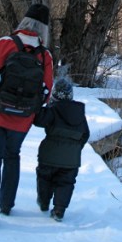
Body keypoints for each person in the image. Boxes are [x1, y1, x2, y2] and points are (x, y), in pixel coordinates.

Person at [0, 3, 53, 226]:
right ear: (44, 29)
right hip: (22, 118)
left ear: (24, 21)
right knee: (12, 156)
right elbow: (46, 90)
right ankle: (6, 205)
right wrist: (29, 111)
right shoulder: (44, 55)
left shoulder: (2, 44)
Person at [33, 77, 90, 222]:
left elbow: (38, 120)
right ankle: (59, 209)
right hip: (71, 159)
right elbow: (85, 134)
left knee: (44, 178)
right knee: (66, 183)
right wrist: (75, 149)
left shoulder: (53, 109)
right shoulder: (79, 114)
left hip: (49, 155)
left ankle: (44, 201)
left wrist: (39, 102)